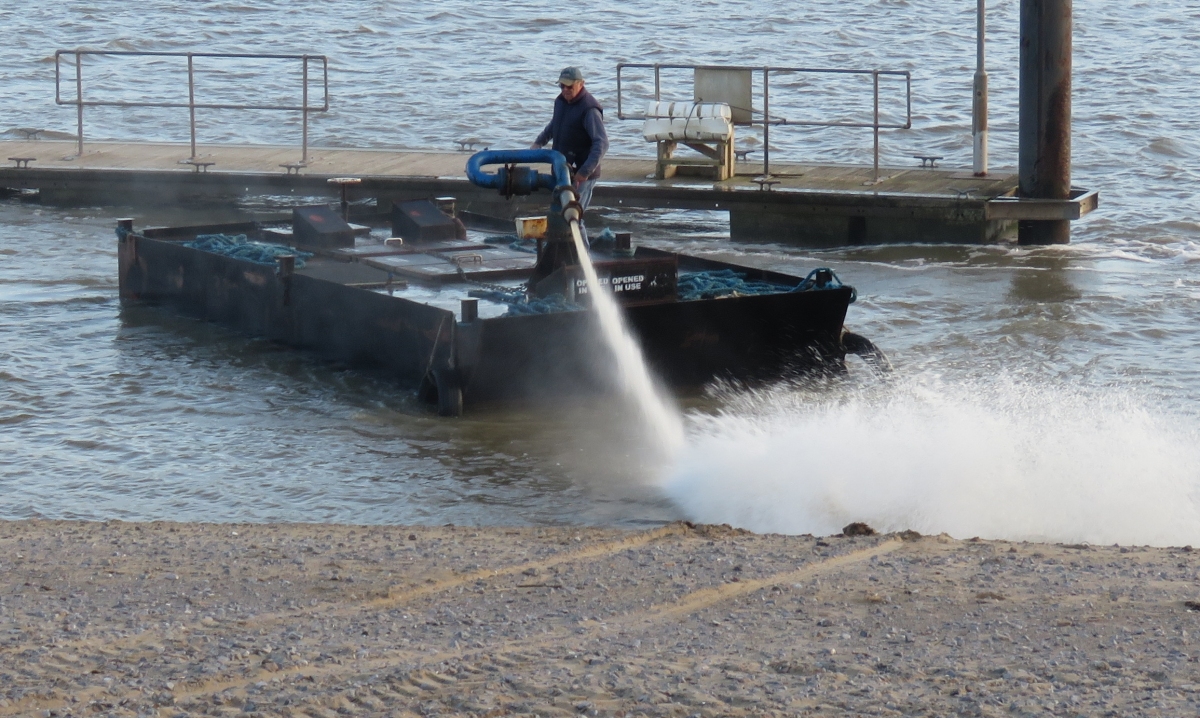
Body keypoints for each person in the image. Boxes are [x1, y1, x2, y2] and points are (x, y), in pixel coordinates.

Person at [530, 66, 609, 241]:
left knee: (573, 218)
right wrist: (539, 142)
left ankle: (582, 258)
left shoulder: (590, 109)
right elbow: (554, 124)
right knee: (561, 215)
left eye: (569, 86)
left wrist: (584, 172)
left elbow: (601, 143)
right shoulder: (561, 102)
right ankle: (563, 253)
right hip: (562, 170)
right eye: (561, 86)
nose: (565, 90)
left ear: (581, 84)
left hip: (581, 174)